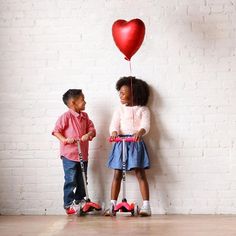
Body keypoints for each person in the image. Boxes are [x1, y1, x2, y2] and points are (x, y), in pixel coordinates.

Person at [107, 76, 152, 216]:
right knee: (117, 174)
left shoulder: (143, 110)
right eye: (119, 92)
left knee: (140, 173)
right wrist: (114, 132)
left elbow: (146, 124)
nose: (120, 95)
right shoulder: (119, 110)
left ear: (134, 94)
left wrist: (140, 132)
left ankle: (146, 206)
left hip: (135, 143)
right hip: (120, 144)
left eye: (123, 93)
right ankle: (112, 204)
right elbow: (114, 124)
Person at [52, 89, 96, 215]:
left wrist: (88, 134)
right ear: (73, 103)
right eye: (82, 100)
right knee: (71, 179)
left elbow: (92, 129)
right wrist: (65, 140)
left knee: (83, 179)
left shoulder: (85, 116)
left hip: (83, 154)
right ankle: (68, 204)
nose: (85, 102)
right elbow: (56, 131)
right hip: (69, 155)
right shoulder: (65, 117)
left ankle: (80, 200)